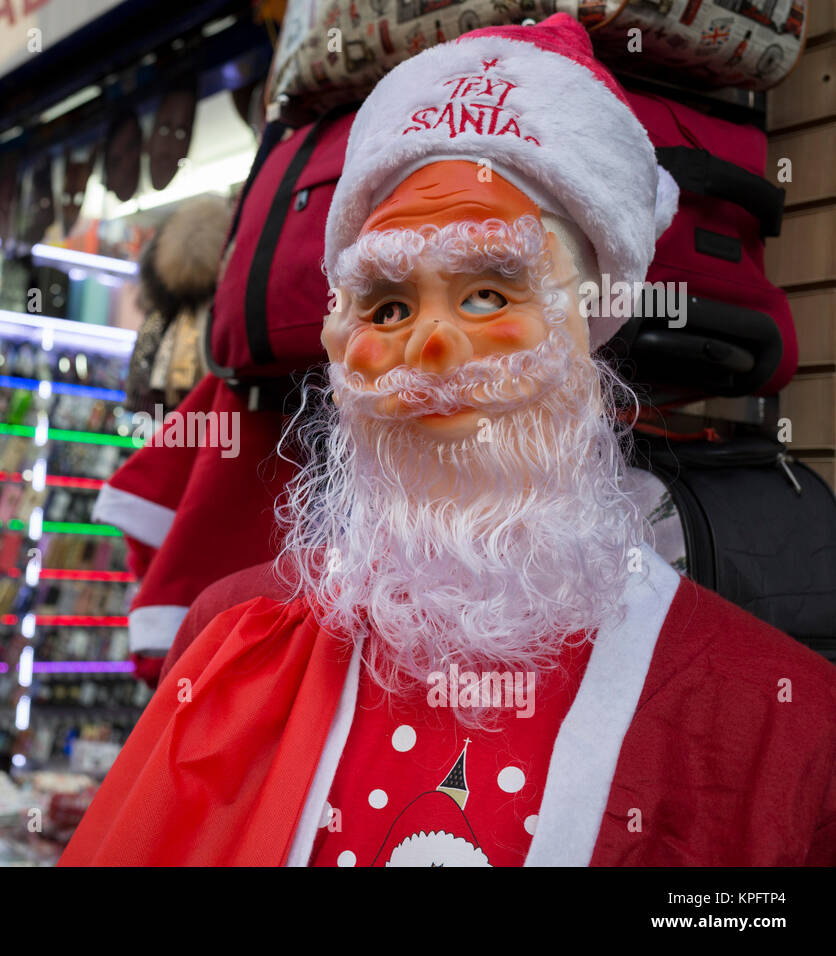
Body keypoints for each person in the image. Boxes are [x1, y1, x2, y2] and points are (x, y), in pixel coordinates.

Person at [59, 15, 836, 866]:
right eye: (387, 306)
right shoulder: (229, 638)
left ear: (589, 330)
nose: (428, 346)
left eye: (488, 294)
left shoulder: (777, 724)